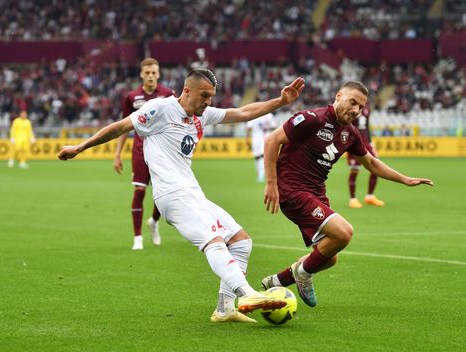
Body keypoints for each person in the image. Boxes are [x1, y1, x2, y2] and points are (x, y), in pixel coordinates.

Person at [59, 69, 305, 322]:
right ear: (187, 91)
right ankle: (247, 293)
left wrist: (280, 101)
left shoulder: (202, 114)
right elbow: (120, 127)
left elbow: (241, 113)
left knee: (241, 241)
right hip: (171, 195)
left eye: (212, 96)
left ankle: (225, 309)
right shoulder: (160, 109)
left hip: (193, 194)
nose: (209, 102)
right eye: (204, 95)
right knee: (214, 240)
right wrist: (80, 147)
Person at [261, 81, 433, 308]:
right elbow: (272, 140)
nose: (356, 110)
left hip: (316, 194)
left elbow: (370, 162)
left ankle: (277, 281)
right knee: (344, 233)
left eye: (361, 107)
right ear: (338, 96)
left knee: (329, 257)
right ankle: (303, 274)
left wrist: (405, 179)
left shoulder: (350, 133)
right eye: (353, 102)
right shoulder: (312, 118)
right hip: (293, 190)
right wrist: (271, 183)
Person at [114, 57, 174, 250]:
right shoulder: (132, 97)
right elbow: (123, 127)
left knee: (161, 194)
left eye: (153, 73)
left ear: (158, 74)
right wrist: (117, 154)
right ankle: (137, 237)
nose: (150, 76)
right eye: (147, 73)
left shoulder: (168, 94)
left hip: (163, 150)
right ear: (141, 74)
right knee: (139, 190)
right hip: (140, 149)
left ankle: (154, 222)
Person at [346, 104, 384, 208]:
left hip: (366, 144)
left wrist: (371, 144)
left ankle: (370, 196)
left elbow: (367, 127)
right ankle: (353, 199)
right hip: (353, 144)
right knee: (354, 171)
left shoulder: (367, 108)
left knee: (376, 168)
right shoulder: (350, 107)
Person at [245, 112, 277, 182]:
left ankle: (261, 175)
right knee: (257, 157)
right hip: (256, 139)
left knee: (262, 155)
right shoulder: (254, 115)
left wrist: (267, 128)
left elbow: (274, 126)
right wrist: (247, 139)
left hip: (265, 138)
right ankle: (259, 174)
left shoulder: (268, 115)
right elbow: (248, 127)